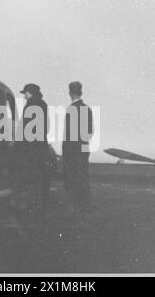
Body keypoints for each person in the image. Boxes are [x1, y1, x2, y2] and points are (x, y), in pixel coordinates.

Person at [14, 83, 50, 214]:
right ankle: (40, 205)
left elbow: (25, 126)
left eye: (25, 93)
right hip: (40, 145)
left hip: (30, 147)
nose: (24, 95)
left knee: (29, 177)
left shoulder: (30, 104)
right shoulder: (43, 104)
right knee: (39, 177)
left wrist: (18, 143)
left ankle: (32, 206)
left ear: (30, 93)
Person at [62, 81, 93, 213]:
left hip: (72, 149)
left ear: (70, 93)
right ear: (81, 92)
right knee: (83, 176)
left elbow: (68, 133)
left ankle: (74, 205)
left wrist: (66, 150)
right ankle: (85, 204)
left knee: (72, 177)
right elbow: (90, 131)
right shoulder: (87, 108)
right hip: (84, 148)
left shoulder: (71, 109)